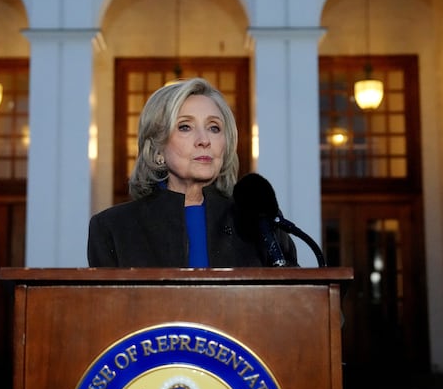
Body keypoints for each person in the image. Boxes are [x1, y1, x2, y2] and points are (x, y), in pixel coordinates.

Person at [87, 77, 297, 267]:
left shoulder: (260, 220)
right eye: (185, 127)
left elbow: (295, 300)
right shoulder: (112, 227)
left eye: (214, 128)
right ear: (158, 147)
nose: (204, 140)